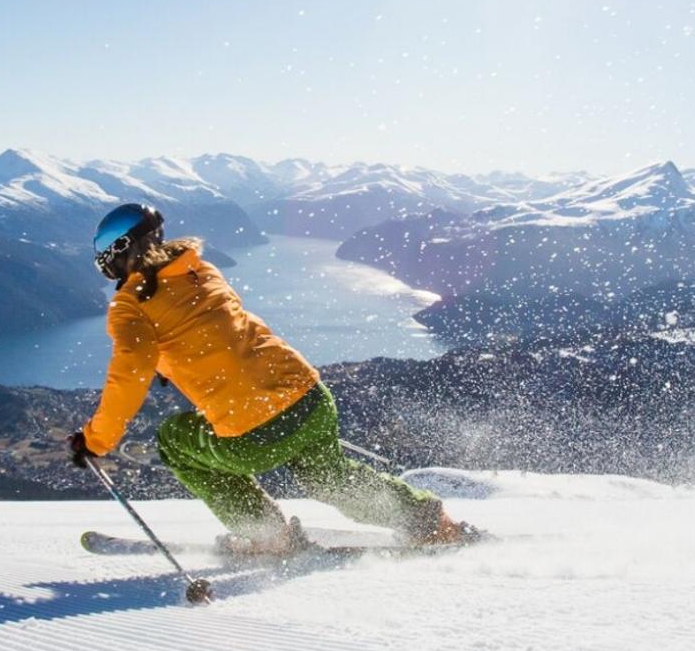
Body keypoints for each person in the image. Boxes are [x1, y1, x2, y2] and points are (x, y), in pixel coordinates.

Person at [68, 202, 476, 555]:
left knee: (175, 439)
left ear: (118, 252)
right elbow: (213, 330)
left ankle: (266, 535)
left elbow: (128, 376)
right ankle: (429, 522)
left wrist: (95, 440)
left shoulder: (129, 307)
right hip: (311, 399)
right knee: (329, 478)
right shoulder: (200, 270)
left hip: (253, 434)